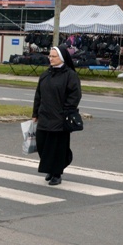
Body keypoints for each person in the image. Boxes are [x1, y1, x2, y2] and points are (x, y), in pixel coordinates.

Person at [31, 45, 81, 186]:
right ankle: (49, 168)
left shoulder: (70, 75)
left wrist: (66, 111)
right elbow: (38, 95)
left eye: (53, 56)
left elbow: (75, 95)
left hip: (60, 117)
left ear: (62, 58)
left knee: (57, 147)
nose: (50, 59)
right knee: (42, 144)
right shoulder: (45, 74)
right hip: (44, 116)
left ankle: (56, 173)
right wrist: (35, 113)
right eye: (50, 56)